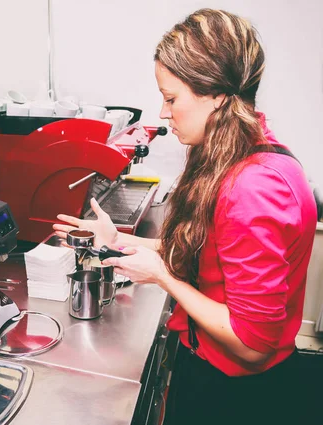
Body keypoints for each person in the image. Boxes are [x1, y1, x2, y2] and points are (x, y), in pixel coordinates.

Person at [54, 9, 317, 425]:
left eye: (172, 98)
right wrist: (119, 240)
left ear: (215, 93)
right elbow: (213, 250)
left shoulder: (253, 188)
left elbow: (253, 343)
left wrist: (163, 277)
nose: (162, 112)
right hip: (220, 374)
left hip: (238, 397)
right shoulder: (246, 155)